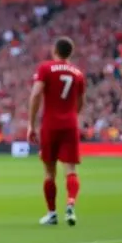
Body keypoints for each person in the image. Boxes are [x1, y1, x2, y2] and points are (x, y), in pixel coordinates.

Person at [28, 36, 86, 226]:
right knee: (70, 169)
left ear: (55, 51)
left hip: (51, 124)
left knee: (49, 171)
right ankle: (70, 204)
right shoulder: (78, 73)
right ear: (71, 52)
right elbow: (80, 102)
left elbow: (36, 93)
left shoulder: (46, 68)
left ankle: (52, 213)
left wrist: (31, 124)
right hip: (71, 123)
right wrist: (71, 116)